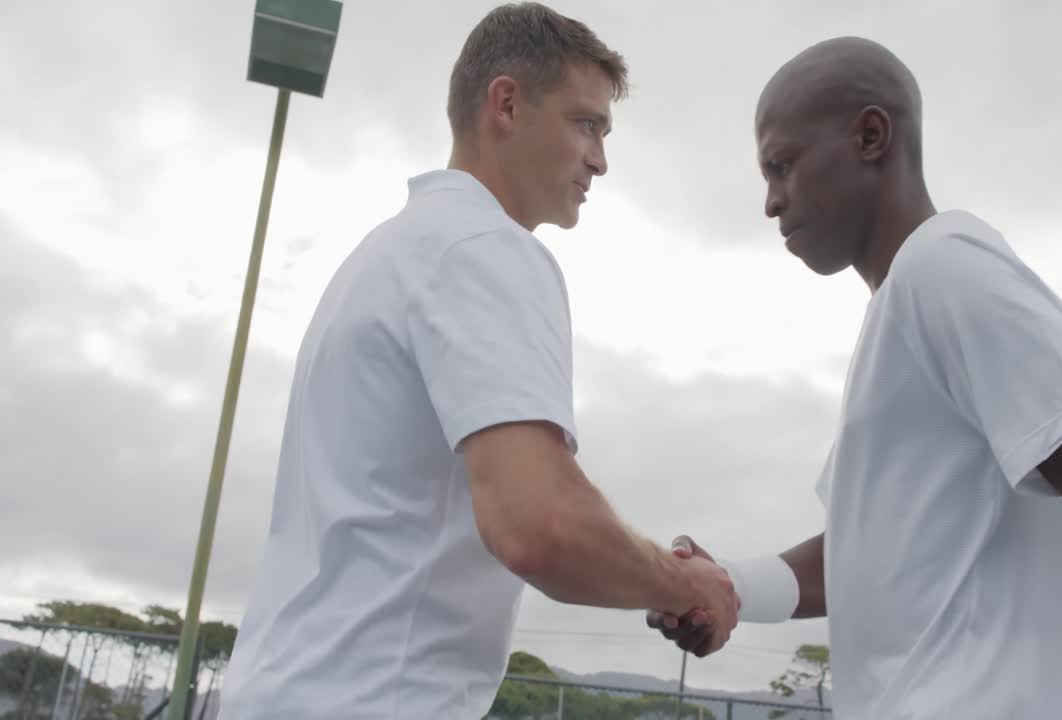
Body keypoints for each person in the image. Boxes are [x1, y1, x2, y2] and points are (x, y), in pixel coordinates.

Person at [647, 37, 1062, 720]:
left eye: (782, 165)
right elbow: (863, 553)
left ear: (871, 136)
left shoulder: (947, 267)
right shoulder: (903, 308)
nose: (770, 201)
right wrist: (728, 585)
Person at [218, 4, 737, 718]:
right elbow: (540, 524)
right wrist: (686, 586)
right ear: (507, 103)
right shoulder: (484, 249)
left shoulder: (389, 252)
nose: (600, 160)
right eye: (586, 124)